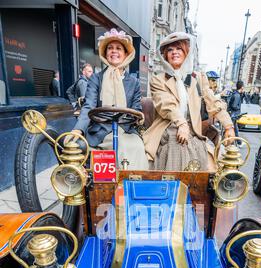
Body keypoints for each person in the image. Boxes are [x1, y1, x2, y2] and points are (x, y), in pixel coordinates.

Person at [143, 33, 234, 171]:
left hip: (193, 130)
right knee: (177, 143)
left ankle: (197, 189)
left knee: (209, 157)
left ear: (186, 52)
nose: (174, 52)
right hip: (168, 127)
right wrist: (182, 124)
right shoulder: (158, 79)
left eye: (179, 49)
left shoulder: (197, 77)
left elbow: (212, 101)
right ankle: (174, 186)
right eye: (170, 50)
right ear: (164, 55)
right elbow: (166, 105)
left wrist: (228, 126)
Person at [68, 29, 148, 170]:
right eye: (110, 48)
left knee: (135, 146)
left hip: (125, 128)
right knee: (118, 146)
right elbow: (89, 106)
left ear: (125, 54)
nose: (114, 51)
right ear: (105, 54)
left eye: (118, 48)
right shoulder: (96, 78)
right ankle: (105, 187)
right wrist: (78, 129)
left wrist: (135, 117)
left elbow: (136, 109)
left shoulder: (134, 82)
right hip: (100, 129)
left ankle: (132, 187)